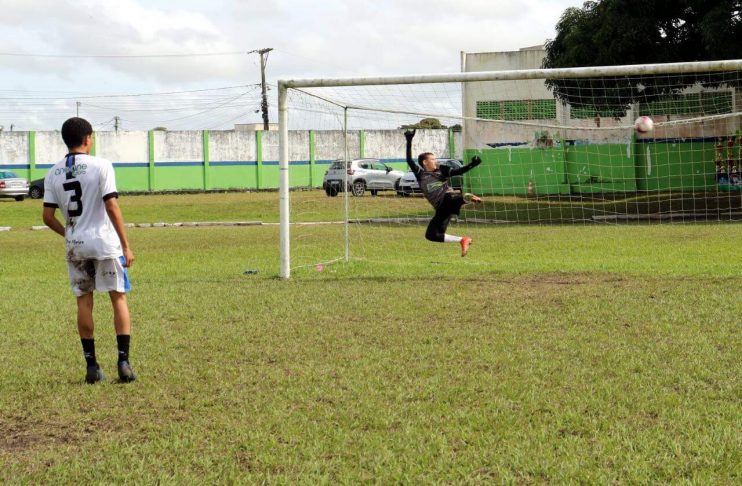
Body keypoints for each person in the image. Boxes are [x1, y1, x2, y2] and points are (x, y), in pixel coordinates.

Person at [42, 117, 136, 384]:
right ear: (87, 138)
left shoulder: (53, 173)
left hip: (76, 246)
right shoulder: (102, 166)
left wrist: (69, 234)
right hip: (105, 243)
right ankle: (123, 362)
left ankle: (92, 367)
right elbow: (112, 206)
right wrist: (126, 245)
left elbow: (47, 217)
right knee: (118, 298)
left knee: (84, 302)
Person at [404, 129, 482, 256]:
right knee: (431, 235)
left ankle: (465, 198)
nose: (436, 161)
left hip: (448, 198)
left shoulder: (442, 170)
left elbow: (459, 171)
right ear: (425, 162)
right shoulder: (420, 174)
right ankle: (463, 240)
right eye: (433, 159)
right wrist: (409, 140)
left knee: (449, 200)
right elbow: (409, 160)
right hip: (441, 208)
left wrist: (473, 164)